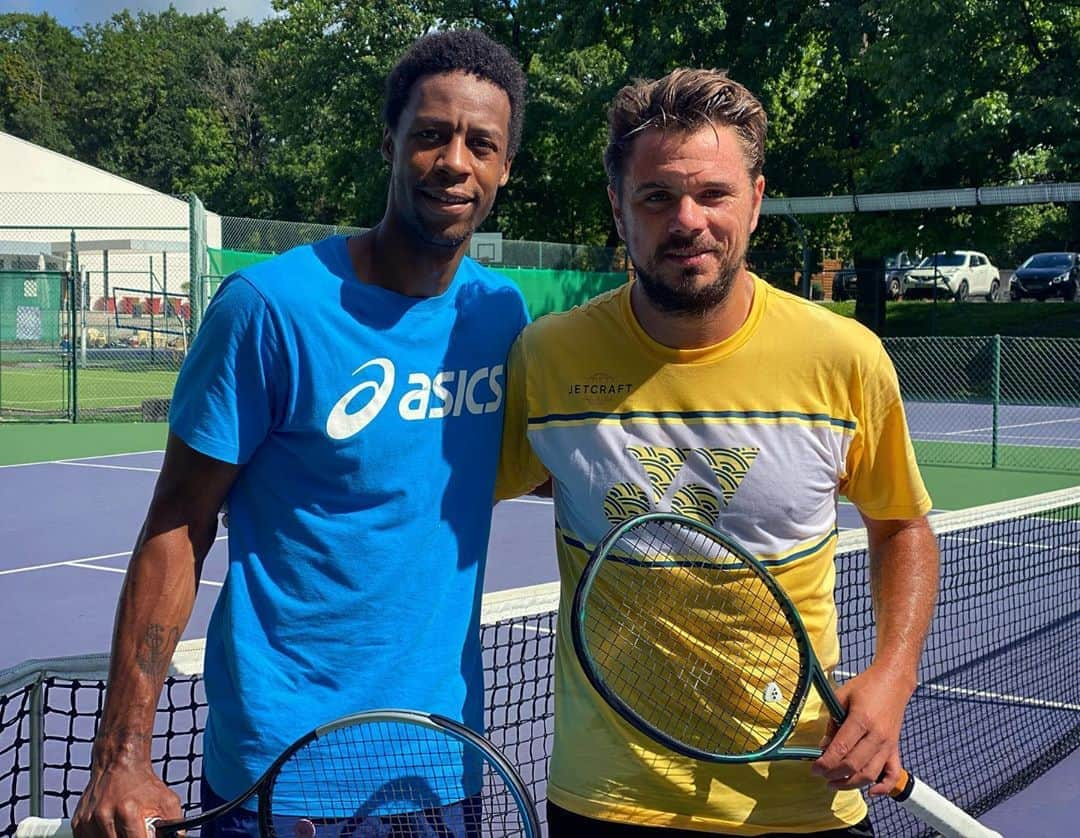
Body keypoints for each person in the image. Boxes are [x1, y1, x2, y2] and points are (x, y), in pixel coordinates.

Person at [73, 29, 529, 838]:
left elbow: (553, 466)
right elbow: (177, 523)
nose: (455, 161)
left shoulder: (500, 316)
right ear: (389, 144)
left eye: (481, 144)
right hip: (281, 783)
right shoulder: (268, 309)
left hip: (443, 767)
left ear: (502, 168)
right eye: (431, 134)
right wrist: (122, 756)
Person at [496, 68, 939, 836]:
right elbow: (488, 490)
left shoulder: (845, 358)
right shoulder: (547, 358)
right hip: (607, 800)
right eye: (657, 196)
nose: (687, 220)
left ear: (757, 200)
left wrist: (894, 676)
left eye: (714, 194)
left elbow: (901, 523)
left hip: (801, 798)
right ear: (619, 208)